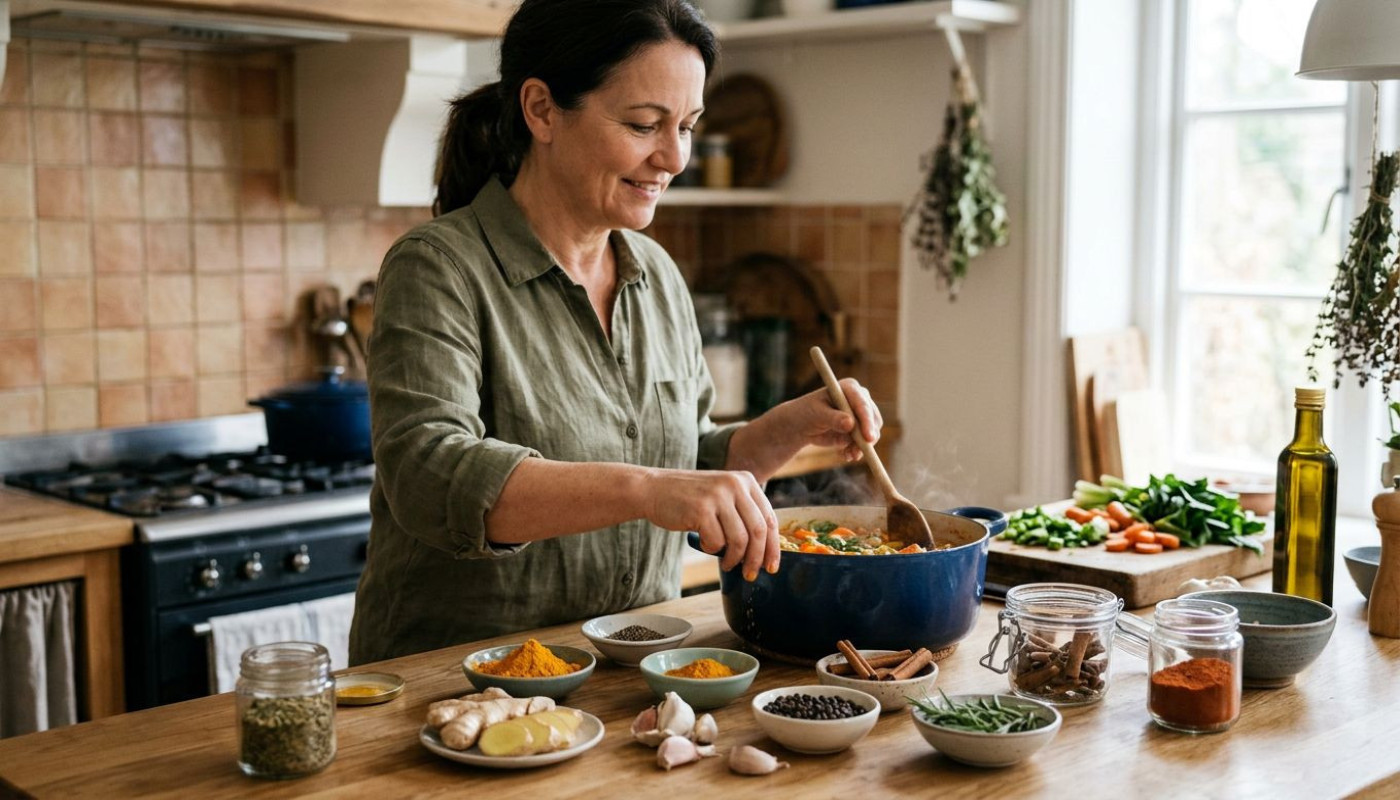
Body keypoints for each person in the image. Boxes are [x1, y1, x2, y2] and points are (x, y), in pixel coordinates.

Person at [348, 0, 884, 665]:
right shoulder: (439, 267)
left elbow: (683, 469)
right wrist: (646, 490)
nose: (674, 157)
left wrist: (785, 429)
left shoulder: (655, 273)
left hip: (629, 671)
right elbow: (429, 476)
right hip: (458, 687)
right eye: (643, 124)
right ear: (542, 109)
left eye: (687, 126)